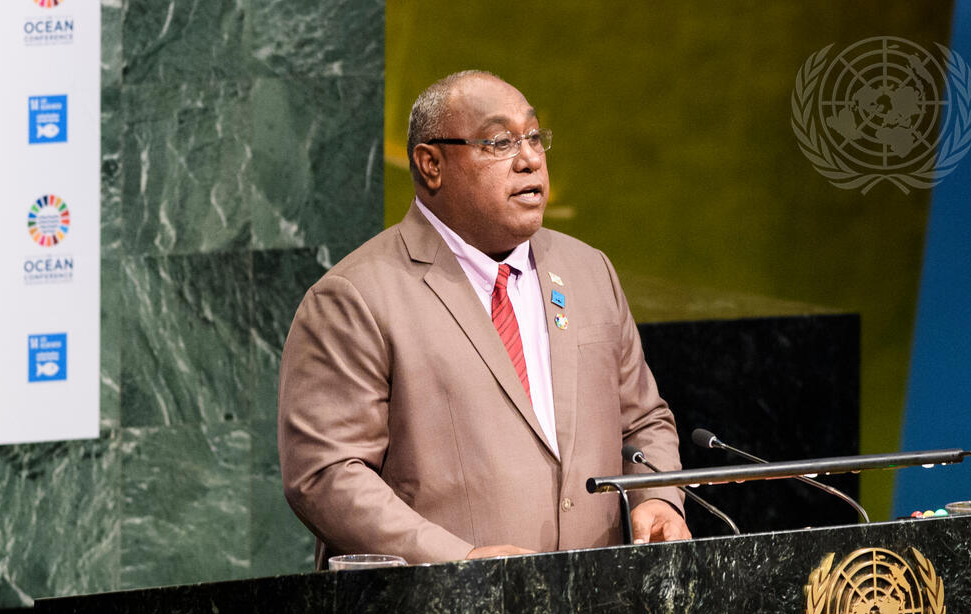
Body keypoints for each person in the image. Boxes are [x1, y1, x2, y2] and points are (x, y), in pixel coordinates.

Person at [278, 70, 691, 566]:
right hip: (445, 608)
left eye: (534, 137)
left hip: (597, 601)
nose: (530, 159)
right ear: (431, 164)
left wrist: (657, 498)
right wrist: (459, 560)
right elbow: (326, 474)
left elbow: (643, 421)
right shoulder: (355, 297)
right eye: (500, 142)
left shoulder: (589, 271)